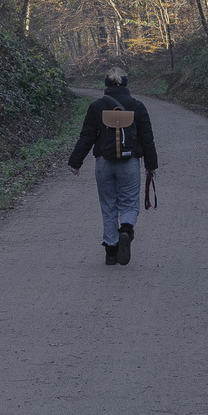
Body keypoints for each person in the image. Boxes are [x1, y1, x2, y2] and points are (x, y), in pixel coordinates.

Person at [68, 66, 158, 266]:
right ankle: (126, 229)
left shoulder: (96, 107)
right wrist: (151, 166)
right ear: (126, 84)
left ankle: (111, 251)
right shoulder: (138, 106)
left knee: (109, 206)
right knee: (128, 203)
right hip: (129, 163)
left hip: (104, 163)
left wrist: (76, 162)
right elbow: (147, 139)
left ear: (106, 85)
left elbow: (87, 136)